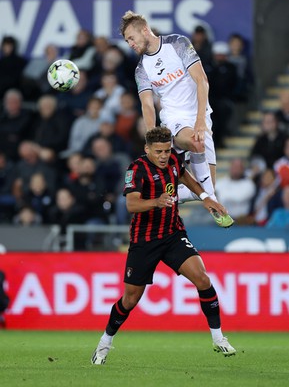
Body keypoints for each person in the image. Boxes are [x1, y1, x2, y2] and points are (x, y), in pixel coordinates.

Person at [91, 127, 236, 365]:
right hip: (144, 240)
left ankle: (218, 338)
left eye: (167, 150)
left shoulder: (174, 161)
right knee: (130, 300)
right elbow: (131, 205)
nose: (163, 156)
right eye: (158, 151)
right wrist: (156, 202)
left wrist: (206, 197)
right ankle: (105, 343)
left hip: (172, 234)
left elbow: (185, 176)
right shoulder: (136, 169)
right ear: (147, 149)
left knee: (202, 279)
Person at [119, 10, 234, 228]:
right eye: (127, 41)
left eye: (131, 38)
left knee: (207, 186)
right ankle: (212, 202)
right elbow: (147, 104)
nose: (130, 44)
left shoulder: (178, 43)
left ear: (145, 30)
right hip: (174, 119)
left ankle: (165, 197)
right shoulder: (141, 69)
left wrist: (200, 120)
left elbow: (202, 80)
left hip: (201, 116)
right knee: (196, 142)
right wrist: (152, 139)